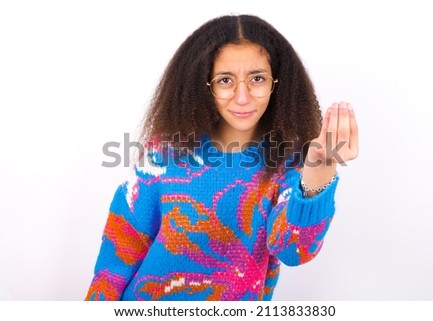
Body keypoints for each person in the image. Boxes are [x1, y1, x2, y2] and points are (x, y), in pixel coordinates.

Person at [85, 14, 359, 301]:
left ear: (277, 83)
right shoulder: (163, 153)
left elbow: (293, 250)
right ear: (204, 85)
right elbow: (120, 247)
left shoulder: (288, 163)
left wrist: (320, 170)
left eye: (257, 78)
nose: (242, 97)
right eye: (225, 80)